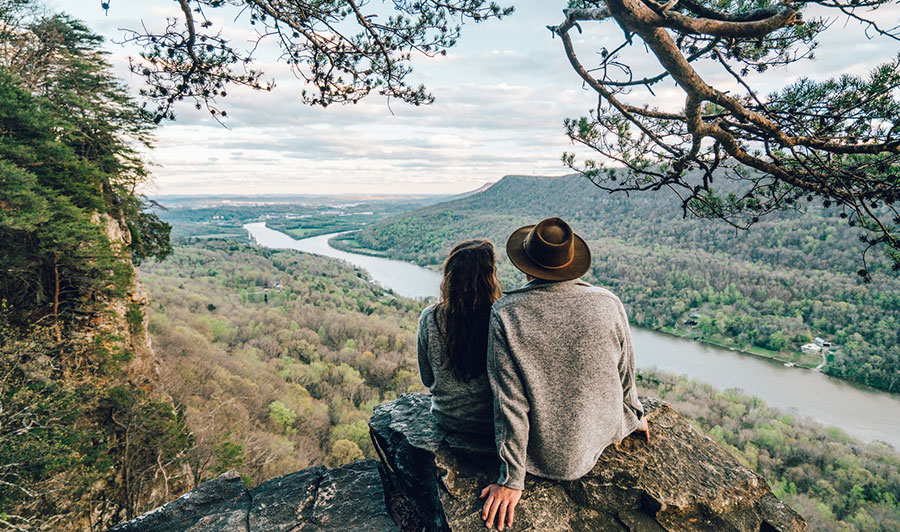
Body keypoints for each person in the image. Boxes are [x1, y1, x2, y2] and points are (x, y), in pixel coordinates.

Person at [479, 217, 649, 531]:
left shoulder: (506, 313)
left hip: (544, 457)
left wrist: (512, 479)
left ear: (525, 266)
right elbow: (626, 370)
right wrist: (635, 412)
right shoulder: (609, 303)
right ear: (571, 263)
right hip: (603, 433)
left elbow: (510, 403)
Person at [417, 239, 503, 433]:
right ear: (489, 276)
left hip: (447, 417)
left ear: (450, 276)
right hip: (490, 421)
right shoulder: (502, 317)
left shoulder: (430, 318)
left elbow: (427, 378)